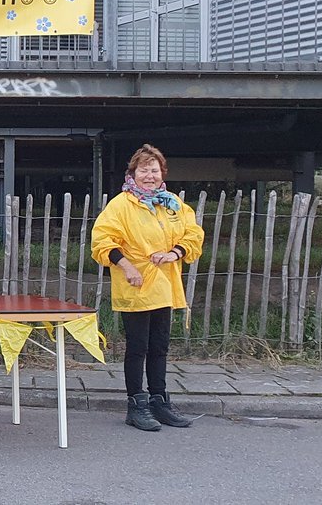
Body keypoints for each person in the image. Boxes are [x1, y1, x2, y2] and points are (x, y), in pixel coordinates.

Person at [92, 144, 204, 432]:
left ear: (162, 172)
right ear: (133, 173)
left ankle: (159, 401)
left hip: (165, 284)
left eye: (154, 170)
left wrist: (174, 253)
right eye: (144, 170)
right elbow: (103, 241)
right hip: (137, 285)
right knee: (138, 347)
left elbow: (193, 233)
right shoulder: (121, 205)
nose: (150, 176)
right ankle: (136, 404)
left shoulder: (173, 204)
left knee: (159, 347)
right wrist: (128, 268)